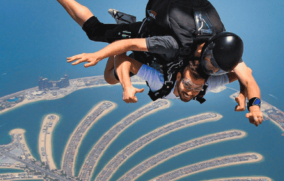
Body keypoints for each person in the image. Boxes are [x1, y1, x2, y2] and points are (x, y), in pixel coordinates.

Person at [55, 0, 263, 126]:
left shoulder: (224, 54)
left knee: (110, 76)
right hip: (148, 38)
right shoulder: (174, 45)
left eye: (215, 69)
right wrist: (98, 55)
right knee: (96, 32)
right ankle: (124, 25)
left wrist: (252, 103)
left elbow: (248, 76)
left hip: (154, 49)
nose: (211, 70)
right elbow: (132, 44)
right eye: (210, 64)